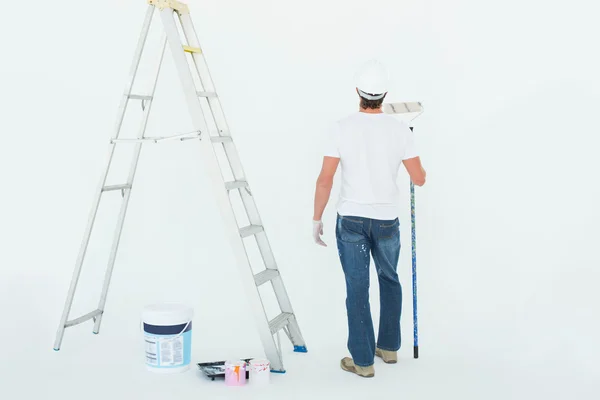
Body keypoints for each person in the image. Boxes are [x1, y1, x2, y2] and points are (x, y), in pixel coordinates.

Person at [312, 59, 426, 378]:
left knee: (357, 287)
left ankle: (362, 361)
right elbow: (419, 178)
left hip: (351, 221)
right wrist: (419, 168)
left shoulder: (341, 127)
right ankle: (389, 348)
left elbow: (325, 179)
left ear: (357, 92)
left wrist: (316, 219)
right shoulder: (401, 130)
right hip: (387, 221)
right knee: (389, 279)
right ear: (384, 94)